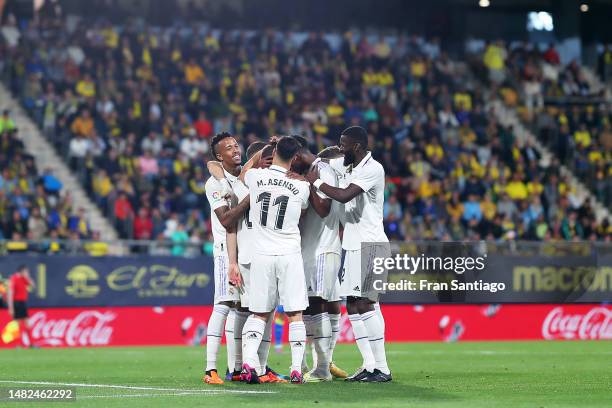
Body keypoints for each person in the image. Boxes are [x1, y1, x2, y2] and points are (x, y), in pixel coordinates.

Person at [305, 126, 392, 382]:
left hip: (372, 245)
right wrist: (321, 157)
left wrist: (316, 182)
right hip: (353, 246)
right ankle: (369, 365)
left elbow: (343, 195)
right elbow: (325, 158)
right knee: (353, 306)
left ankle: (383, 368)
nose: (340, 148)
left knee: (367, 303)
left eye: (344, 145)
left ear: (356, 146)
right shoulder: (348, 165)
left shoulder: (372, 168)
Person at [207, 140, 286, 383]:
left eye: (236, 146)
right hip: (226, 251)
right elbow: (227, 221)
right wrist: (249, 197)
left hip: (249, 252)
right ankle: (211, 369)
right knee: (224, 305)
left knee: (248, 308)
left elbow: (243, 165)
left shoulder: (243, 177)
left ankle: (244, 367)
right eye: (228, 148)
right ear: (221, 156)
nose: (235, 150)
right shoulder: (215, 183)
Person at [239, 136, 311, 384]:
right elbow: (302, 209)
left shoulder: (257, 177)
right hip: (289, 253)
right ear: (294, 159)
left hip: (261, 254)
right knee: (295, 314)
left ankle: (248, 362)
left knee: (258, 313)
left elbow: (241, 177)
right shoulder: (301, 186)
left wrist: (259, 156)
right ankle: (296, 369)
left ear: (274, 152)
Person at [291, 135, 347, 381]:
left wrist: (308, 184)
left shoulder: (319, 171)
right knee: (316, 304)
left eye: (290, 163)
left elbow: (323, 209)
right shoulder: (320, 167)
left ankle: (322, 368)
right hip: (320, 247)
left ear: (297, 156)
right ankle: (321, 364)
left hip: (321, 249)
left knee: (316, 304)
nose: (290, 169)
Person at [8, 265, 36, 348]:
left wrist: (28, 277)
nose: (27, 273)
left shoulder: (24, 279)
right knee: (18, 324)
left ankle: (30, 343)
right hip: (16, 303)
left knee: (26, 323)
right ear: (22, 271)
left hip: (22, 303)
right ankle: (19, 344)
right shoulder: (14, 279)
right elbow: (10, 293)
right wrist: (11, 307)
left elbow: (33, 286)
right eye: (26, 271)